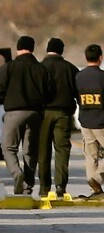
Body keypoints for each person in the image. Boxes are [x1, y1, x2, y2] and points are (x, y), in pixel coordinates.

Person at [0, 35, 52, 195]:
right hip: (35, 114)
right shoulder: (41, 69)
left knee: (8, 147)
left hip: (14, 113)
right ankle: (28, 185)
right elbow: (49, 93)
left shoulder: (9, 67)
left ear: (18, 48)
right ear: (32, 48)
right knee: (30, 151)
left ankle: (17, 173)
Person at [38, 37, 79, 198]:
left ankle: (44, 187)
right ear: (62, 50)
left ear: (48, 49)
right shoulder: (71, 69)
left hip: (43, 114)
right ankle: (60, 186)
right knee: (62, 150)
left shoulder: (39, 68)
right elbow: (78, 93)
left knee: (43, 151)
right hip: (63, 113)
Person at [75, 44, 104, 197]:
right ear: (100, 58)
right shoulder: (102, 77)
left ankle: (94, 185)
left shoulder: (79, 76)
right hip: (101, 121)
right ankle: (97, 178)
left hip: (86, 121)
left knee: (90, 155)